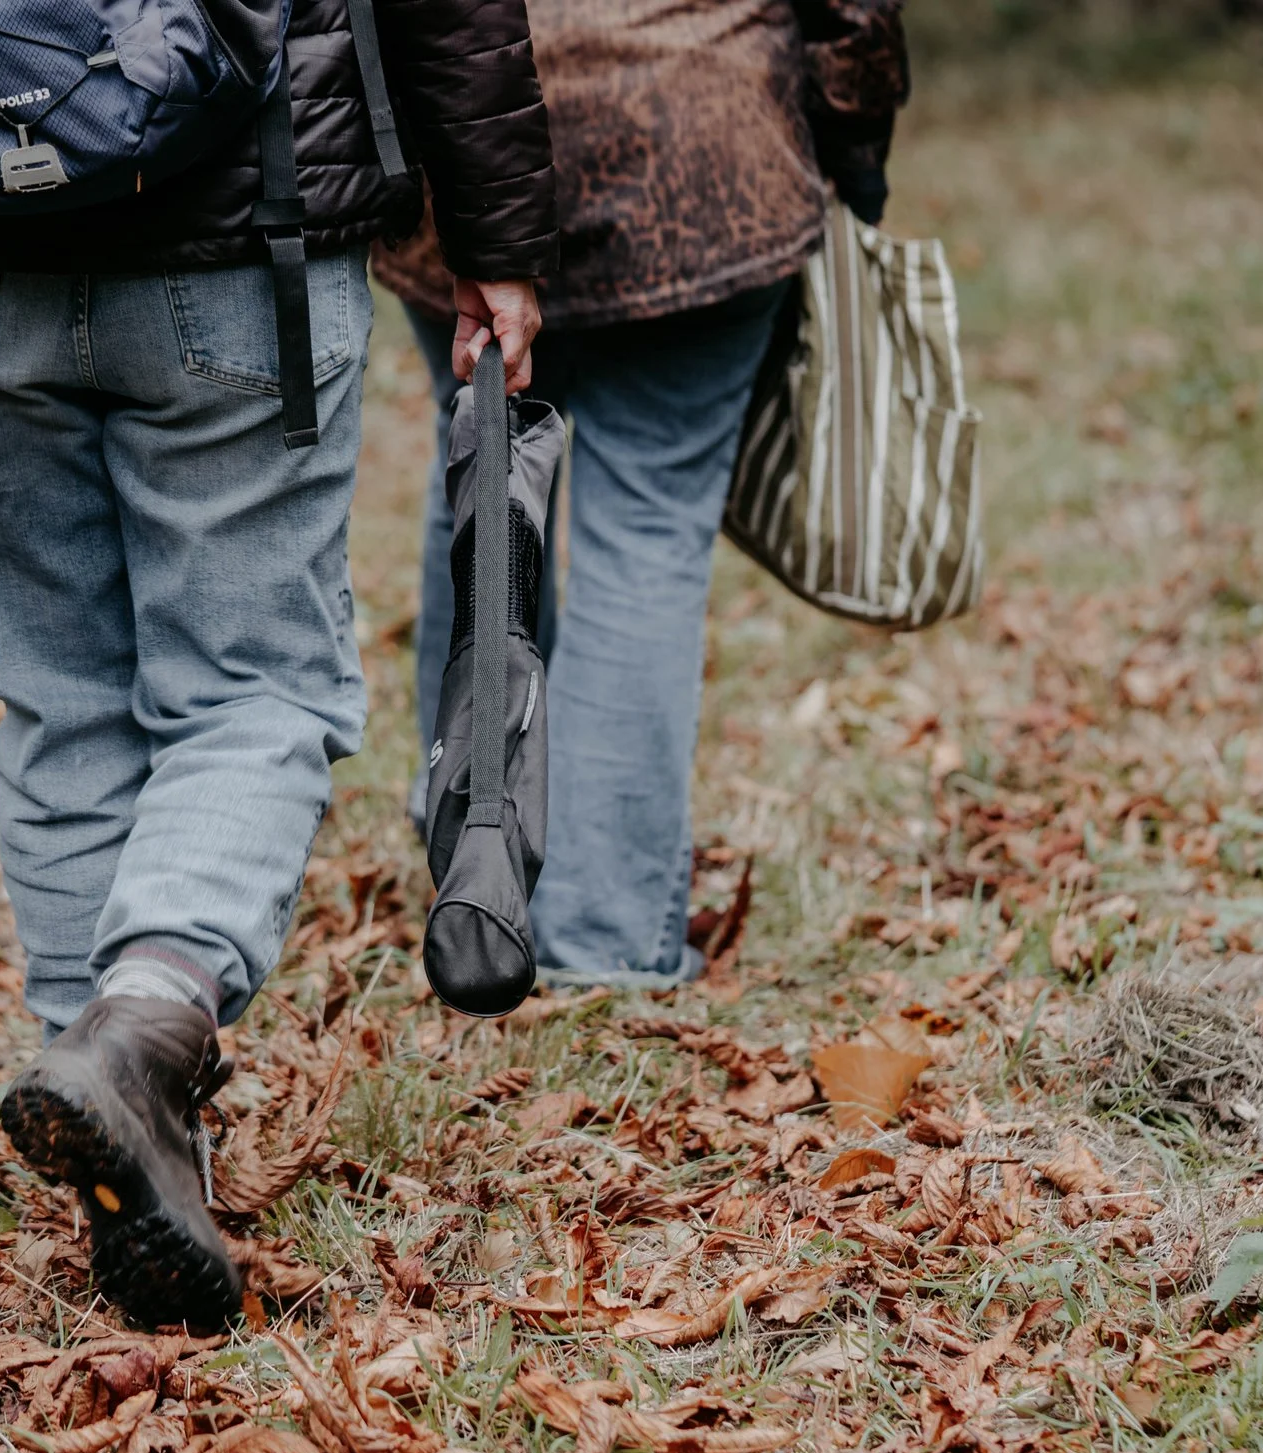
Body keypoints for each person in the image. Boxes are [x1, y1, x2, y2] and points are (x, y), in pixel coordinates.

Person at [0, 0, 555, 1330]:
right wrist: (500, 237)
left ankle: (115, 1126)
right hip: (240, 234)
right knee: (255, 692)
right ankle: (144, 1021)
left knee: (62, 712)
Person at [377, 0, 908, 987]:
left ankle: (470, 861)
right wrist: (851, 137)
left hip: (454, 146)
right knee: (646, 538)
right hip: (695, 146)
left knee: (485, 474)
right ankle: (604, 936)